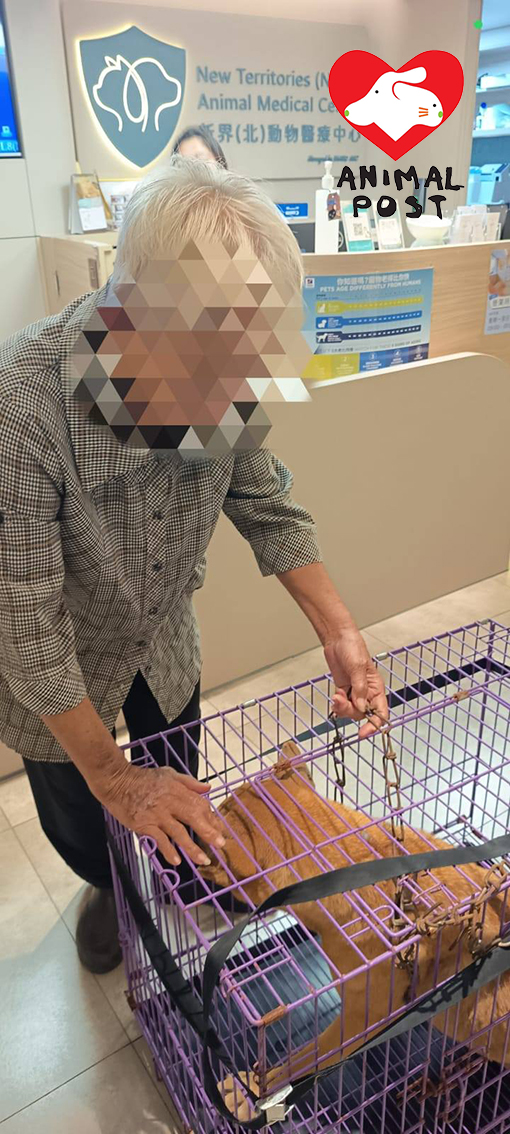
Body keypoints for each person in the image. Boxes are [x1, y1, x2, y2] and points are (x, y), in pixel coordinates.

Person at [0, 156, 388, 975]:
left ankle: (177, 870)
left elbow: (266, 502)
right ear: (128, 315)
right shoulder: (21, 406)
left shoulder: (219, 367)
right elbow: (28, 629)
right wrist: (114, 779)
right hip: (59, 663)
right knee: (83, 806)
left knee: (177, 767)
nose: (229, 392)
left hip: (164, 629)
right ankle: (108, 887)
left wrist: (339, 630)